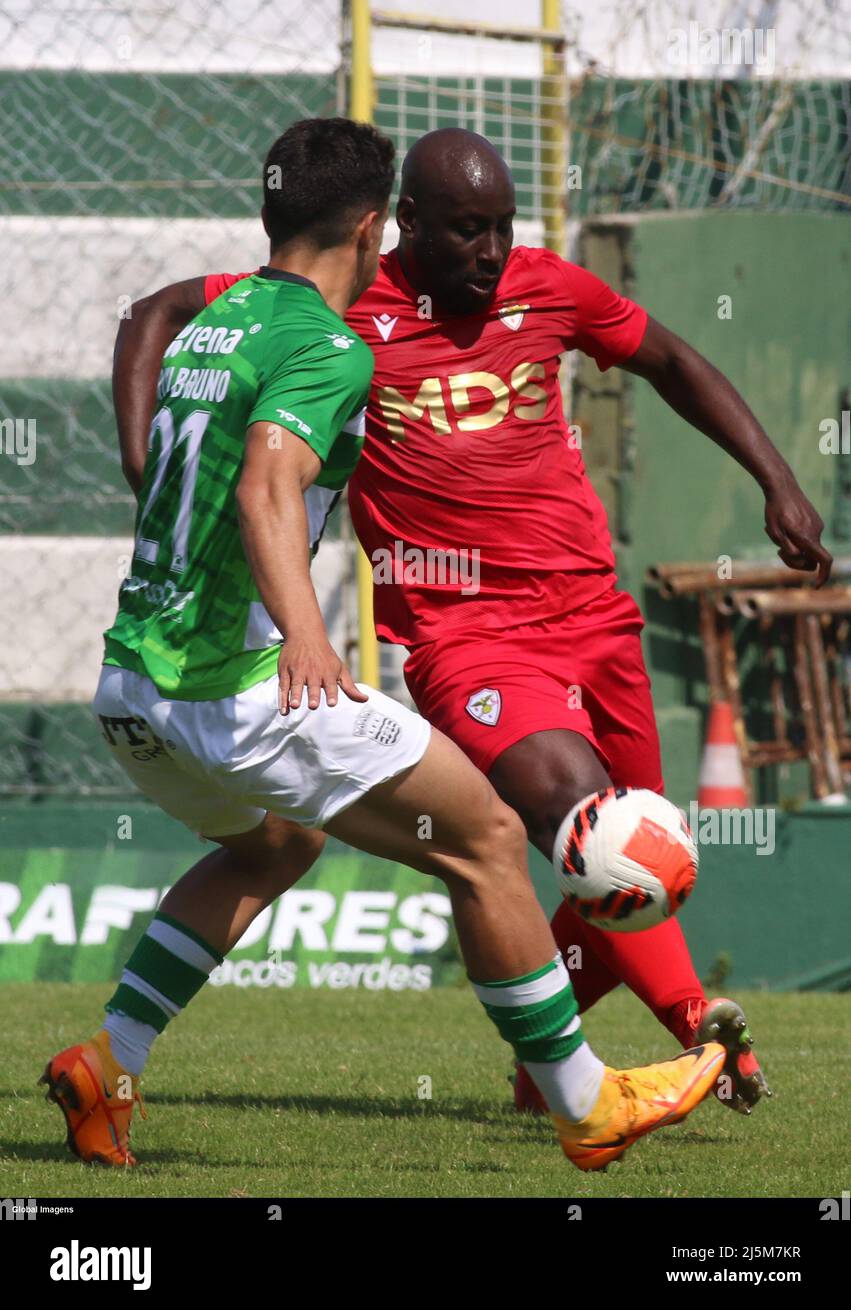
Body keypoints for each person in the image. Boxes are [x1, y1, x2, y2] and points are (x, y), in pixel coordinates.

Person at [109, 124, 830, 1129]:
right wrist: (147, 463)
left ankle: (550, 1072)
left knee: (629, 872)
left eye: (500, 228)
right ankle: (675, 1036)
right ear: (399, 225)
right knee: (574, 819)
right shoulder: (338, 306)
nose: (488, 252)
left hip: (592, 615)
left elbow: (670, 358)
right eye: (464, 231)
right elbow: (158, 312)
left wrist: (777, 482)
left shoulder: (549, 288)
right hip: (467, 637)